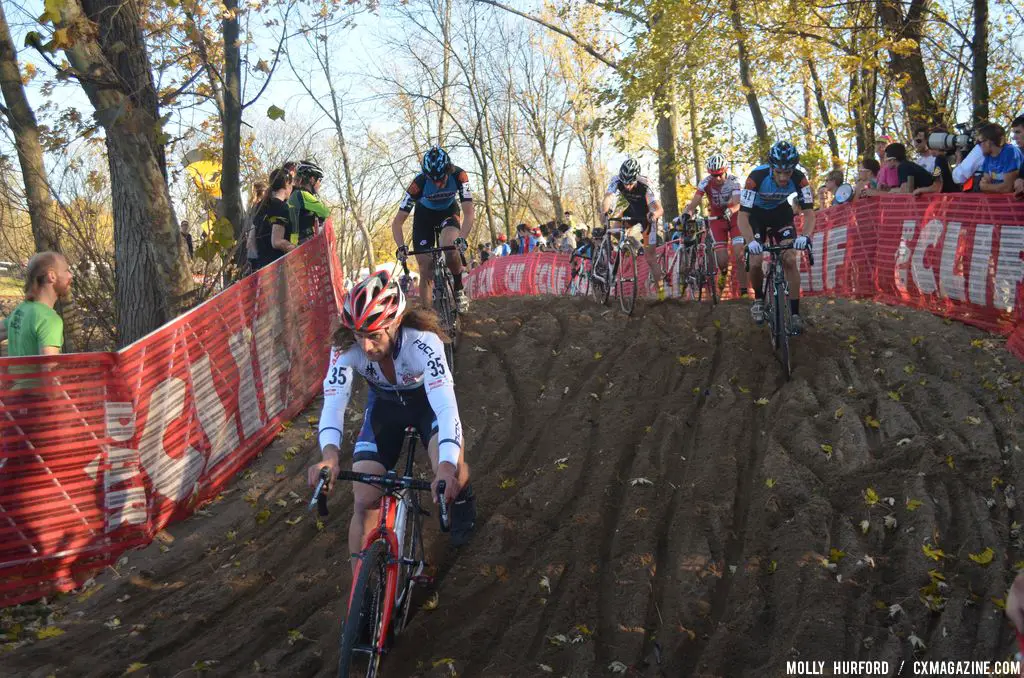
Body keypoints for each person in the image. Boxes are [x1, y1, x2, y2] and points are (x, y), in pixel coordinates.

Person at [307, 271, 476, 568]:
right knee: (363, 499)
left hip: (427, 407)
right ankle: (362, 593)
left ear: (395, 323)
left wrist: (447, 468)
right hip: (384, 410)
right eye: (360, 335)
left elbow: (446, 406)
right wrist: (330, 457)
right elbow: (333, 403)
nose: (367, 347)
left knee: (452, 468)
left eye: (375, 335)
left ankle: (462, 497)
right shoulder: (346, 348)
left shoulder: (423, 343)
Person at [738, 140, 816, 334]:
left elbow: (809, 213)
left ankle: (795, 313)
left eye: (787, 172)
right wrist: (751, 242)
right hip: (756, 214)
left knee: (789, 258)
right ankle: (758, 300)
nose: (783, 177)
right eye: (779, 172)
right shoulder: (756, 177)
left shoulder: (800, 178)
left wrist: (805, 236)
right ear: (771, 167)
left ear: (793, 170)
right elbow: (742, 216)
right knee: (755, 261)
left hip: (781, 213)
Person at [390, 146, 474, 313]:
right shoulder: (418, 184)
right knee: (425, 268)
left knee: (450, 246)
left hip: (448, 214)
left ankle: (458, 288)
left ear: (448, 170)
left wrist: (462, 238)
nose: (437, 183)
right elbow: (397, 222)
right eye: (432, 179)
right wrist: (401, 246)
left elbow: (469, 213)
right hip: (424, 218)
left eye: (441, 179)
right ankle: (428, 317)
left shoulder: (460, 176)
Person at [682, 153, 747, 296]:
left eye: (720, 174)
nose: (717, 178)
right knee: (722, 260)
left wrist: (730, 210)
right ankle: (723, 273)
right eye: (713, 175)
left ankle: (744, 292)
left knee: (739, 254)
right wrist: (688, 213)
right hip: (717, 220)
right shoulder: (705, 182)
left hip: (735, 218)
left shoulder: (734, 181)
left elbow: (738, 202)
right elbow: (695, 201)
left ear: (725, 170)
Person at [600, 158, 666, 300]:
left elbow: (659, 208)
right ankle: (630, 246)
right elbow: (608, 197)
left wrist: (654, 215)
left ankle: (661, 293)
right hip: (632, 211)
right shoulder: (616, 180)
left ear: (636, 177)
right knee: (614, 229)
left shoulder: (646, 184)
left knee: (650, 257)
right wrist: (604, 212)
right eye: (625, 182)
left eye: (630, 182)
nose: (627, 186)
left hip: (648, 216)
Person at [252, 168, 295, 269]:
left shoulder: (259, 206)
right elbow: (276, 242)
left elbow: (251, 241)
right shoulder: (281, 207)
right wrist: (297, 249)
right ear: (286, 184)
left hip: (261, 269)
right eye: (291, 184)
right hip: (277, 269)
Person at [288, 160, 331, 244]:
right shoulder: (302, 195)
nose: (320, 185)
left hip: (294, 243)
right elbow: (325, 212)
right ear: (312, 179)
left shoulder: (294, 193)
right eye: (319, 180)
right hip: (301, 244)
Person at [975, 123, 1023, 194]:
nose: (978, 145)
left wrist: (987, 187)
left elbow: (1007, 188)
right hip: (997, 201)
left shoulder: (1009, 152)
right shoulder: (987, 157)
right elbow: (985, 187)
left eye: (979, 142)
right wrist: (987, 187)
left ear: (989, 142)